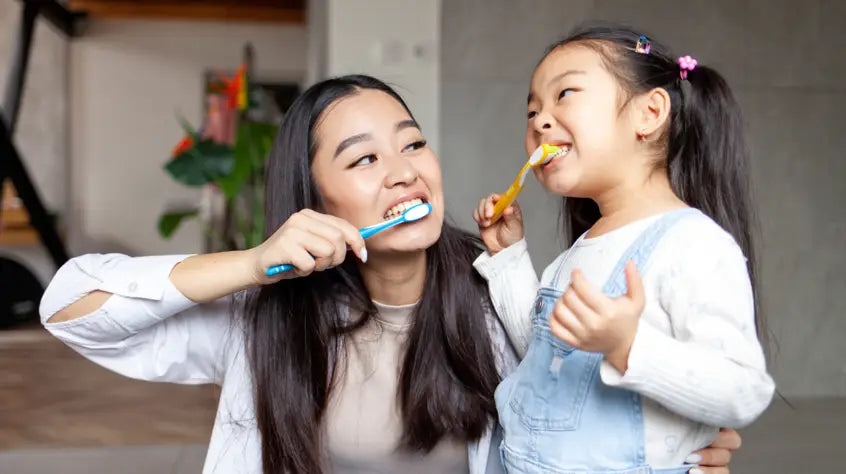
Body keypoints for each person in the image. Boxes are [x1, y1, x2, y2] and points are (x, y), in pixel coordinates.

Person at [41, 74, 741, 474]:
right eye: (363, 159)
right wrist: (254, 264)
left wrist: (680, 445)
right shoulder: (265, 316)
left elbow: (590, 410)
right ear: (315, 202)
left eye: (412, 143)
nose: (406, 170)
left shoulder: (498, 289)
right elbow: (71, 307)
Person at [474, 25, 773, 473]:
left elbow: (744, 389)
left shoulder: (693, 245)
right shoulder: (582, 249)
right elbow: (545, 357)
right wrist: (509, 259)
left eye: (565, 94)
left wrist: (630, 345)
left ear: (649, 113)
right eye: (531, 110)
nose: (539, 121)